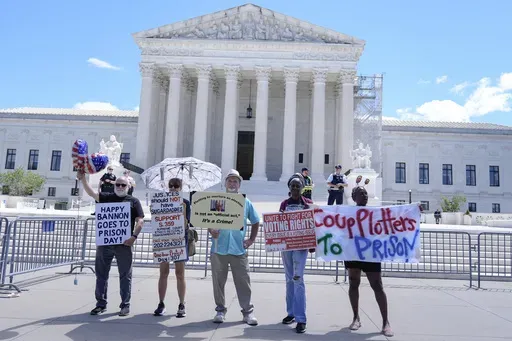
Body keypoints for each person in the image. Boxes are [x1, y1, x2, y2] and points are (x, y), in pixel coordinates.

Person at [78, 170, 144, 317]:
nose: (120, 187)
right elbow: (92, 194)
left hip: (124, 244)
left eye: (123, 185)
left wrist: (134, 236)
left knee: (125, 275)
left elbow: (140, 220)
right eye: (118, 184)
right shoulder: (107, 197)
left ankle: (125, 305)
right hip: (105, 244)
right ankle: (100, 304)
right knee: (101, 275)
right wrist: (83, 180)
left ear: (128, 187)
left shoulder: (133, 201)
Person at [208, 169, 260, 326]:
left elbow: (256, 221)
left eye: (235, 181)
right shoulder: (216, 201)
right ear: (225, 183)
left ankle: (247, 312)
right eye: (230, 180)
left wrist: (251, 239)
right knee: (218, 282)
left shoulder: (246, 203)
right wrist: (212, 230)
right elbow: (208, 220)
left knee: (244, 282)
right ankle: (220, 310)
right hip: (219, 248)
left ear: (239, 185)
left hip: (239, 249)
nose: (232, 183)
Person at [345, 185, 393, 337]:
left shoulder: (376, 213)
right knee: (353, 283)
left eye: (365, 193)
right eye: (361, 193)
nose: (365, 195)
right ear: (353, 198)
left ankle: (386, 322)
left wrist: (413, 213)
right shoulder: (347, 214)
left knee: (377, 285)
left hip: (371, 252)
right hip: (353, 252)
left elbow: (395, 219)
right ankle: (355, 317)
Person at [279, 173, 314, 334]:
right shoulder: (284, 204)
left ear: (302, 187)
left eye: (297, 185)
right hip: (287, 246)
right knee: (288, 279)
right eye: (292, 185)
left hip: (300, 247)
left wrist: (312, 243)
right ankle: (291, 313)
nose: (295, 188)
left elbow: (314, 224)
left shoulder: (308, 204)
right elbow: (278, 224)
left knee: (297, 278)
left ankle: (301, 318)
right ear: (289, 187)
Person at [154, 178, 191, 317]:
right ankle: (161, 303)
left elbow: (187, 223)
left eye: (176, 186)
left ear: (181, 188)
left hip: (180, 240)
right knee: (163, 273)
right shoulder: (161, 201)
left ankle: (182, 304)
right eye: (171, 186)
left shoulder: (185, 203)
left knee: (180, 274)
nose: (173, 188)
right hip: (164, 239)